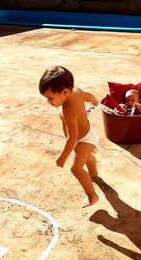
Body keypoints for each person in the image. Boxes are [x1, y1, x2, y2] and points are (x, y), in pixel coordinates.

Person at [39, 66, 100, 208]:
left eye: (50, 98)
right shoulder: (76, 91)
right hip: (85, 134)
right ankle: (94, 174)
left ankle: (92, 195)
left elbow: (72, 137)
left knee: (76, 168)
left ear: (65, 92)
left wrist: (63, 157)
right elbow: (89, 96)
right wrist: (94, 101)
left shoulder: (69, 110)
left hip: (83, 139)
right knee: (86, 157)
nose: (48, 102)